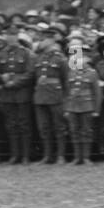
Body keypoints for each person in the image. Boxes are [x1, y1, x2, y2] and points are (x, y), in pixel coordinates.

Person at [0, 24, 36, 164]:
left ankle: (25, 155)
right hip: (7, 94)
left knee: (24, 124)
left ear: (17, 36)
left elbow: (30, 73)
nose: (10, 38)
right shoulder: (1, 54)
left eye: (13, 35)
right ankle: (15, 154)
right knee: (11, 125)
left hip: (22, 93)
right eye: (8, 35)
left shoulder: (26, 53)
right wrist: (2, 78)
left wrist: (15, 83)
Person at [32, 28, 69, 164]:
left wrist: (66, 98)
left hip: (56, 96)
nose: (41, 42)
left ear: (52, 40)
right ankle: (47, 155)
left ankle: (60, 155)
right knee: (44, 127)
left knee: (59, 127)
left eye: (45, 39)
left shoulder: (60, 58)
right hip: (41, 96)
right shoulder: (39, 58)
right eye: (41, 39)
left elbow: (66, 80)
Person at [64, 48, 102, 165]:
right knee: (74, 131)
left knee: (86, 131)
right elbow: (66, 92)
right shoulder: (70, 72)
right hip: (72, 106)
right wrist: (66, 108)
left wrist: (96, 109)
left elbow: (97, 93)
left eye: (82, 58)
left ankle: (86, 157)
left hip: (87, 105)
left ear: (87, 60)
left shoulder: (92, 73)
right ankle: (77, 157)